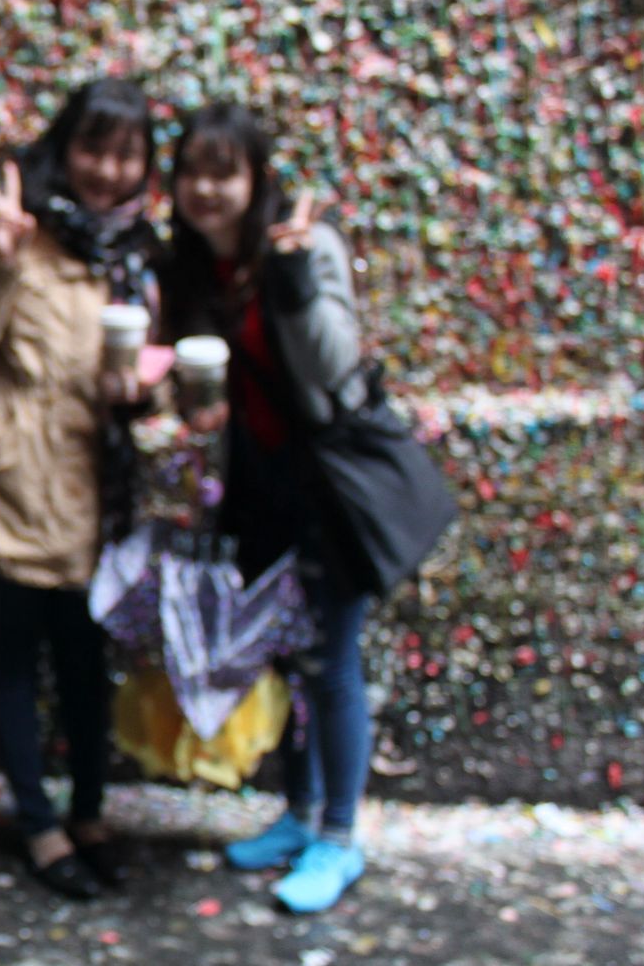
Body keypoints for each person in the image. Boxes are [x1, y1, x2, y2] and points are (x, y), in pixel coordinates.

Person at [0, 80, 158, 900]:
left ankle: (89, 816)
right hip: (6, 487)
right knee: (17, 659)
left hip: (95, 490)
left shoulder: (137, 251)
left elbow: (149, 363)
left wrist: (145, 394)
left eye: (127, 154)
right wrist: (1, 263)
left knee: (88, 664)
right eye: (94, 147)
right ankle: (38, 825)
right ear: (64, 146)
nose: (108, 169)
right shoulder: (5, 225)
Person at [158, 101, 371, 913]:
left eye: (224, 172)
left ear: (256, 178)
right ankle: (301, 814)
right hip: (260, 493)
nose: (206, 189)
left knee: (333, 664)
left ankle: (339, 839)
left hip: (331, 489)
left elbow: (336, 365)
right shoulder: (196, 269)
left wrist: (296, 277)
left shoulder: (303, 246)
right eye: (191, 173)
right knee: (283, 658)